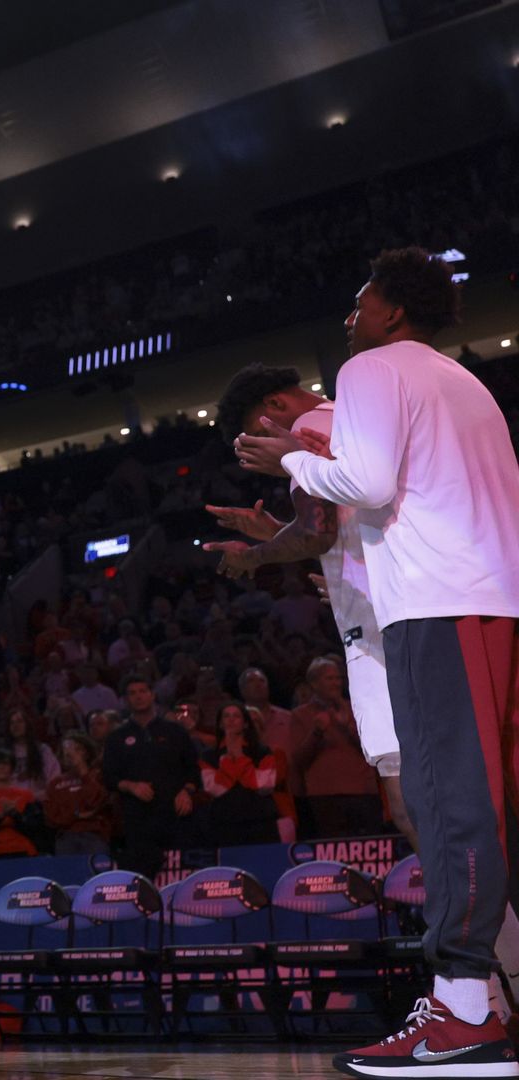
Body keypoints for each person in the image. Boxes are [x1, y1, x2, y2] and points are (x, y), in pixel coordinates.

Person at [237, 248, 519, 1075]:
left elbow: (362, 478)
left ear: (391, 310)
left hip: (438, 603)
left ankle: (467, 1014)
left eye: (359, 300)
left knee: (451, 803)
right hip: (495, 598)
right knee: (491, 799)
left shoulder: (367, 370)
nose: (350, 315)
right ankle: (473, 1002)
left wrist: (284, 459)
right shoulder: (462, 381)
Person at [209, 365, 408, 838]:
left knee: (407, 791)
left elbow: (316, 533)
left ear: (274, 408)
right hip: (402, 602)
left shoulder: (305, 430)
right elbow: (337, 527)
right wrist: (278, 532)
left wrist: (254, 556)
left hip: (379, 627)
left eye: (253, 437)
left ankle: (471, 913)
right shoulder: (350, 416)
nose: (254, 453)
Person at [101, 675, 199, 878]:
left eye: (143, 691)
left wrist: (187, 791)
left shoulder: (175, 732)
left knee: (179, 874)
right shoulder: (116, 737)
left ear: (153, 695)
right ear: (125, 700)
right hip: (138, 819)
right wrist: (129, 785)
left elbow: (193, 769)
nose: (138, 697)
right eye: (132, 693)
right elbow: (108, 776)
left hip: (174, 813)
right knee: (143, 877)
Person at [286, 658, 379, 839]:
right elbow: (298, 760)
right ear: (314, 683)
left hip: (363, 793)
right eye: (329, 679)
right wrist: (317, 732)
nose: (336, 683)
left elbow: (374, 751)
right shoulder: (300, 715)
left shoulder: (357, 708)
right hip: (324, 797)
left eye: (338, 678)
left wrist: (349, 728)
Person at [199, 702, 281, 844]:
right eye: (226, 716)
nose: (231, 719)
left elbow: (264, 786)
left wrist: (239, 758)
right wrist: (229, 761)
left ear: (245, 724)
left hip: (260, 822)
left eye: (236, 716)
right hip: (223, 824)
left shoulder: (262, 752)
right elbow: (214, 789)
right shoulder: (208, 756)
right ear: (220, 724)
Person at [45, 733, 112, 857]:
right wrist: (76, 815)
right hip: (66, 837)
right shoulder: (55, 783)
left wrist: (82, 771)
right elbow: (51, 817)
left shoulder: (98, 776)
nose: (70, 753)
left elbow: (96, 802)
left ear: (86, 752)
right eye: (66, 748)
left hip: (94, 836)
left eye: (76, 749)